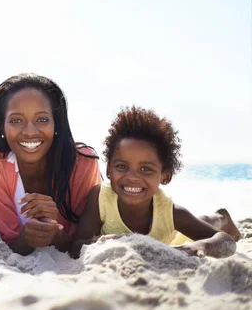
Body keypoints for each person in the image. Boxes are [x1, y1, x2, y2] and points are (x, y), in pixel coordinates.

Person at [71, 106, 237, 259]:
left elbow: (227, 241)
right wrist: (99, 242)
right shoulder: (101, 198)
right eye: (122, 166)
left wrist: (203, 245)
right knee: (187, 228)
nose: (132, 176)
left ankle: (222, 218)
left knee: (201, 224)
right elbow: (76, 246)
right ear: (108, 170)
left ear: (165, 176)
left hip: (168, 233)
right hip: (165, 234)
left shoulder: (170, 213)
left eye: (145, 169)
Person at [0, 73, 101, 255]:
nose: (30, 132)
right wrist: (26, 237)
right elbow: (6, 245)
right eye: (16, 120)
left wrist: (55, 233)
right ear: (1, 128)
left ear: (56, 125)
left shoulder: (83, 163)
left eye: (42, 119)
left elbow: (81, 245)